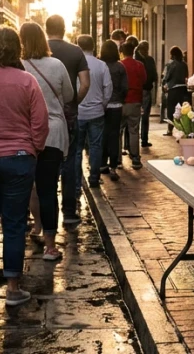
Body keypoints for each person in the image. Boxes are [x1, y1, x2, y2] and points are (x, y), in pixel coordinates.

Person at [0, 28, 49, 307]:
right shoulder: (27, 81)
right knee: (14, 224)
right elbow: (40, 123)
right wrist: (33, 150)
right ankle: (13, 287)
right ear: (17, 49)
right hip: (18, 159)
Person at [19, 23, 73, 261]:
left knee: (27, 187)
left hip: (26, 134)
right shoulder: (57, 65)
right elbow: (70, 96)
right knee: (48, 188)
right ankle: (50, 246)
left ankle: (31, 228)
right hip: (53, 133)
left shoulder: (17, 67)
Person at [45, 15, 90, 228]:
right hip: (69, 116)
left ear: (46, 29)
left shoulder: (36, 50)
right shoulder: (75, 51)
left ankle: (43, 213)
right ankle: (69, 210)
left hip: (40, 115)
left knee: (42, 163)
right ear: (64, 29)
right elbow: (85, 83)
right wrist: (73, 103)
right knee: (70, 160)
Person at [75, 35, 112, 189]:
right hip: (97, 111)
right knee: (96, 146)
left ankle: (77, 182)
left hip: (78, 112)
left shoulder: (75, 64)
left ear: (78, 46)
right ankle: (94, 179)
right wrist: (102, 104)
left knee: (76, 149)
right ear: (93, 47)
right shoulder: (101, 65)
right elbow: (108, 88)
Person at [100, 41, 127, 181]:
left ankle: (102, 164)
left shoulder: (100, 65)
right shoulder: (120, 66)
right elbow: (124, 87)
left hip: (102, 106)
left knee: (102, 134)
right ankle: (113, 166)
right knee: (114, 135)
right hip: (116, 106)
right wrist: (120, 99)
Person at [119, 42, 148, 170]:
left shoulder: (120, 65)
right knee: (134, 130)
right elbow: (144, 80)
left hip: (121, 101)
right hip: (135, 100)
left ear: (122, 52)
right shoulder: (139, 65)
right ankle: (135, 158)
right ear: (133, 51)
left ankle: (118, 160)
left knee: (118, 132)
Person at [162, 47, 191, 136]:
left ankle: (170, 129)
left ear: (173, 55)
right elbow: (186, 75)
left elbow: (166, 77)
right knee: (182, 110)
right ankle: (182, 128)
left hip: (173, 89)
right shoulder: (184, 64)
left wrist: (164, 84)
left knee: (171, 110)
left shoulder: (170, 64)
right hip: (183, 89)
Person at [137, 41, 160, 148]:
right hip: (145, 90)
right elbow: (154, 75)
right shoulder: (148, 60)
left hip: (140, 90)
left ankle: (140, 140)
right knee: (144, 116)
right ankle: (143, 139)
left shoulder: (138, 59)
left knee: (140, 117)